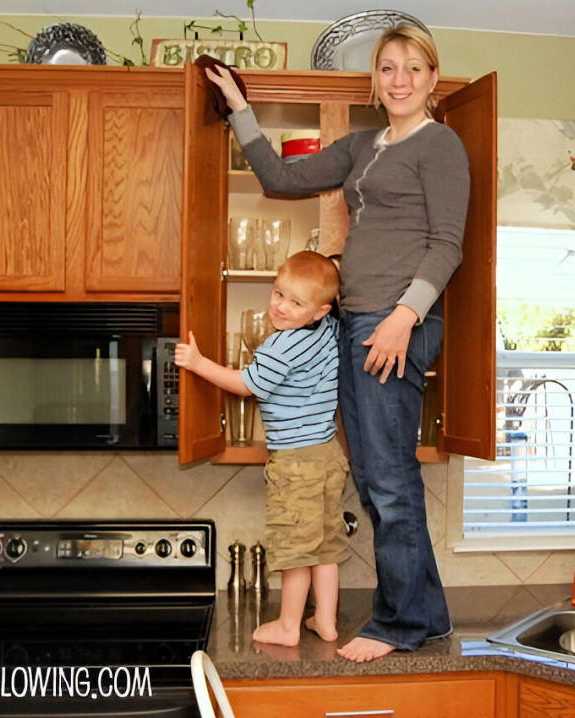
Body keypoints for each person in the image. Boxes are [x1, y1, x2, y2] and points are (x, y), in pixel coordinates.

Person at [204, 22, 470, 661]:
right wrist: (240, 108)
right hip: (355, 321)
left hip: (395, 321)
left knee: (386, 479)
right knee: (384, 476)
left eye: (412, 67)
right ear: (375, 81)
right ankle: (426, 616)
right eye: (387, 68)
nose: (399, 79)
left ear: (432, 79)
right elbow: (276, 176)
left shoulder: (442, 146)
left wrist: (404, 318)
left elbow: (447, 245)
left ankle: (398, 625)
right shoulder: (360, 146)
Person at [175, 251, 351, 647]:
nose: (281, 306)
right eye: (278, 293)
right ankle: (324, 618)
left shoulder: (281, 346)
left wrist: (199, 363)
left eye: (295, 302)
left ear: (321, 310)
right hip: (328, 455)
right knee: (325, 543)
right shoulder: (329, 332)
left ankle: (288, 626)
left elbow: (247, 385)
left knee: (294, 547)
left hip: (296, 462)